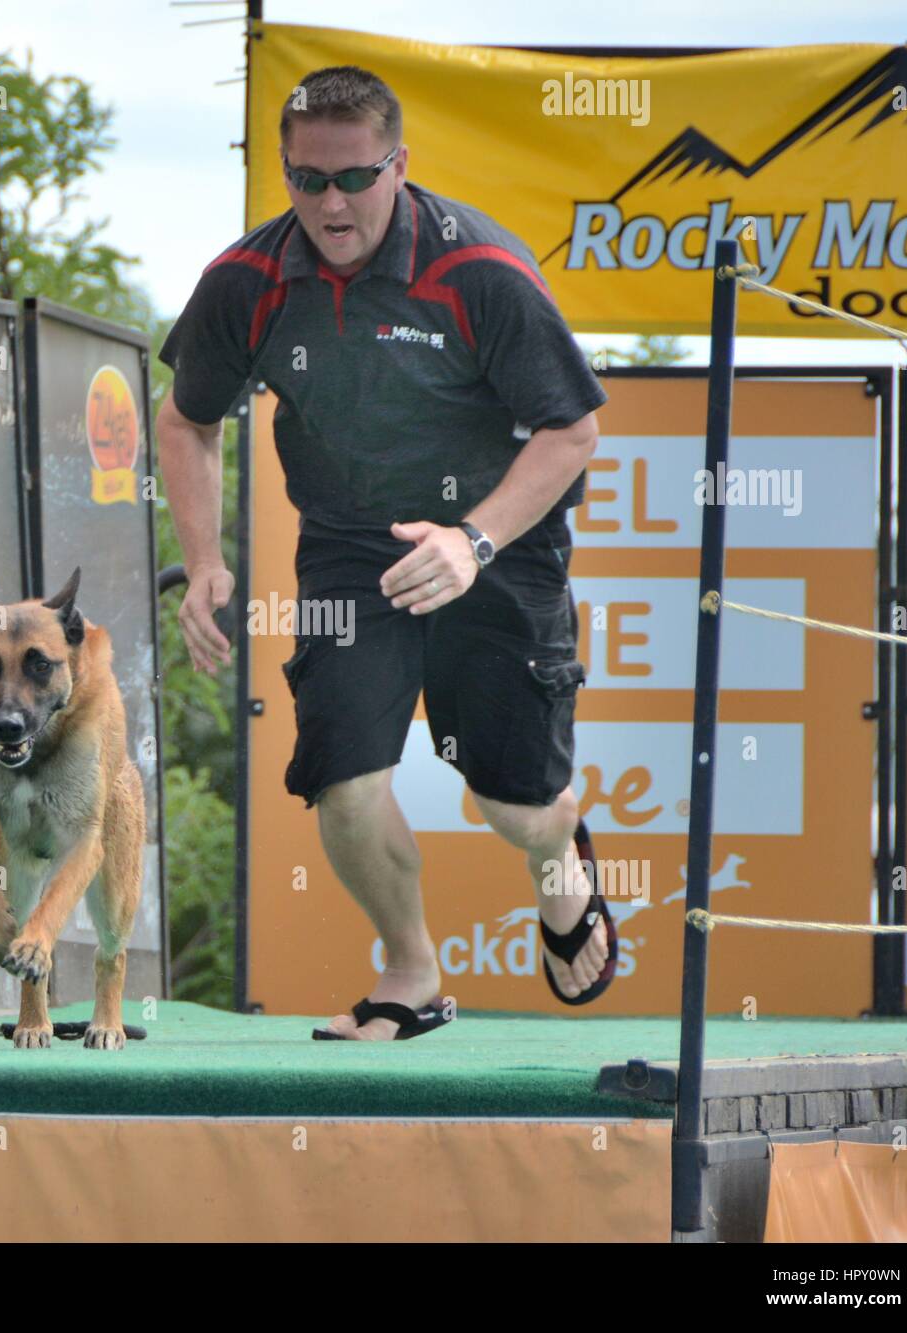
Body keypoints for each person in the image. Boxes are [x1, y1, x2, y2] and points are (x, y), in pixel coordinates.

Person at [157, 65, 615, 1040]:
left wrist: (473, 540)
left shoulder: (478, 269)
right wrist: (203, 561)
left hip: (497, 545)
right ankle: (410, 972)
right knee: (343, 771)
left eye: (355, 178)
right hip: (348, 548)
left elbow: (570, 431)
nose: (330, 202)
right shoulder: (246, 280)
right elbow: (187, 421)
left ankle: (560, 858)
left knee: (511, 801)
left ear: (398, 165)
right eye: (306, 179)